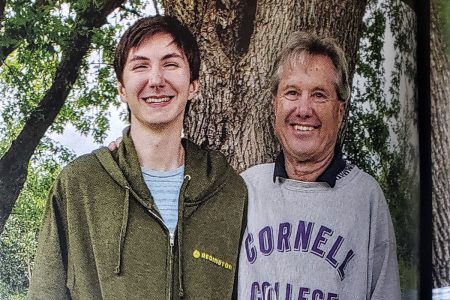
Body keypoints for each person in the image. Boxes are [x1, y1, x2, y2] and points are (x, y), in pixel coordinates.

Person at [28, 15, 247, 300]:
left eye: (171, 64)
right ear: (121, 88)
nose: (156, 80)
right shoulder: (80, 185)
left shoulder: (229, 191)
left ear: (193, 85)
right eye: (140, 66)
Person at [237, 31, 401, 299]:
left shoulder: (366, 199)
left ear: (340, 110)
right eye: (292, 92)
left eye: (319, 95)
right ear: (274, 105)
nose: (303, 109)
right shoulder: (247, 189)